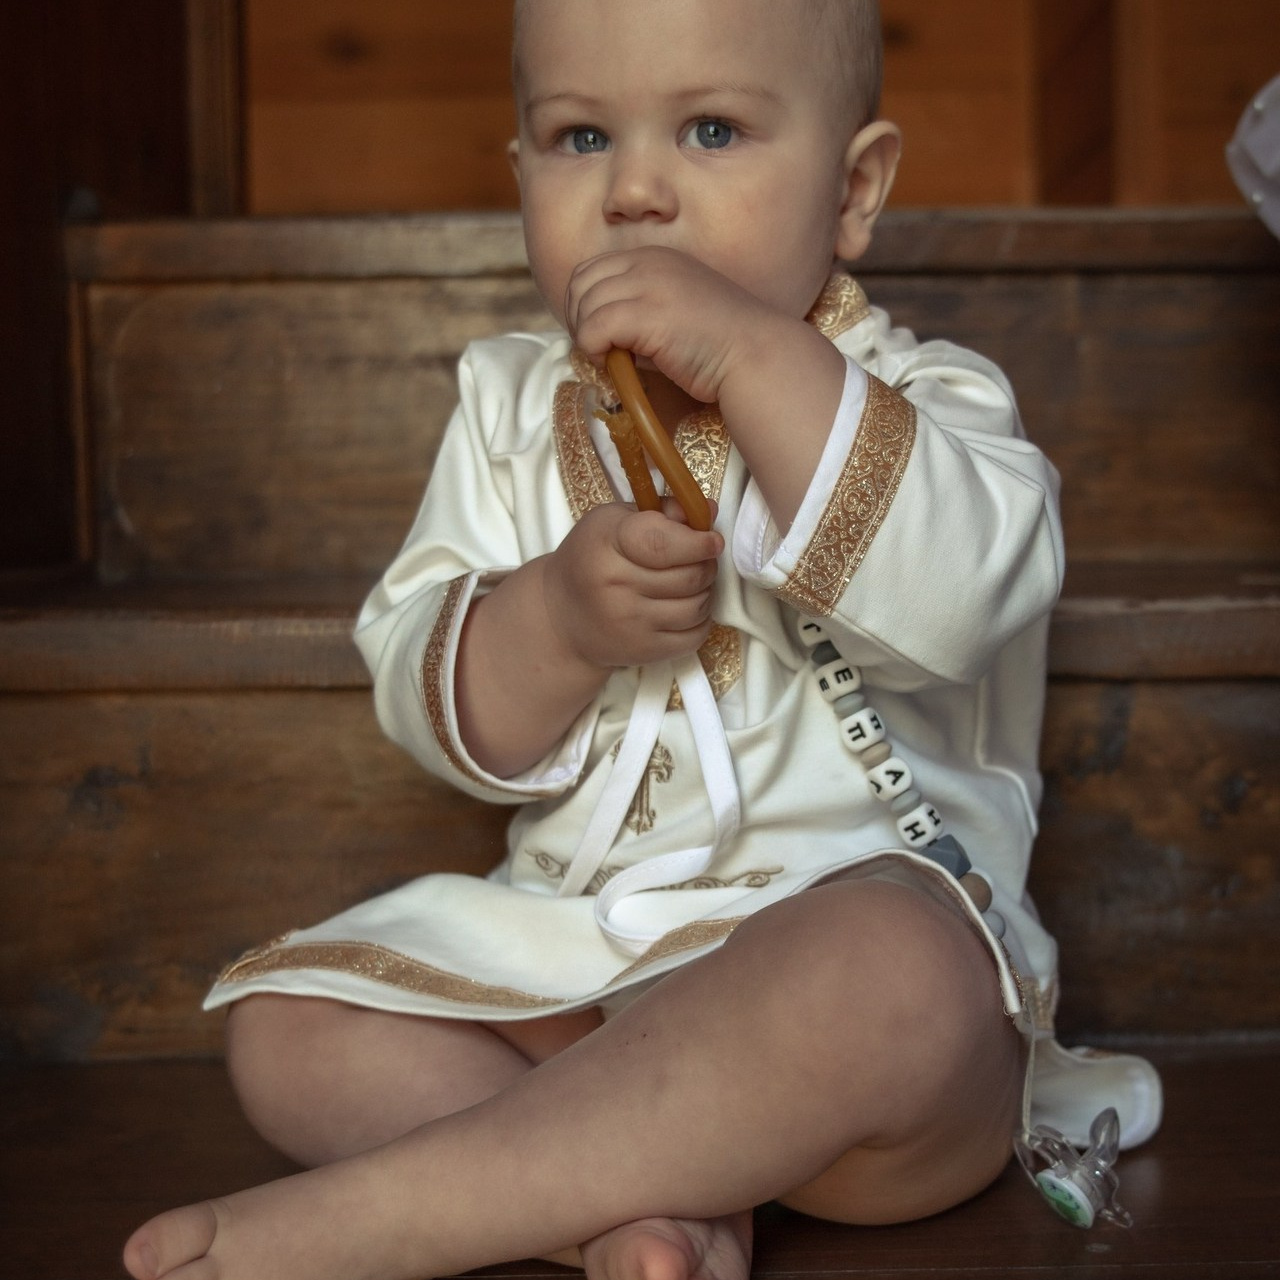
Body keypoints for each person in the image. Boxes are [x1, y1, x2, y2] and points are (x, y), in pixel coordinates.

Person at [123, 3, 1160, 1279]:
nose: (632, 193)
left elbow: (960, 593)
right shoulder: (506, 412)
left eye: (711, 129)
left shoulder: (933, 399)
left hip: (848, 1046)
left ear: (851, 190)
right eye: (576, 138)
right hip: (582, 982)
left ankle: (411, 1207)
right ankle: (637, 1212)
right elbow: (425, 687)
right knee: (288, 1020)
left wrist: (742, 352)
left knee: (890, 968)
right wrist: (551, 621)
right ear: (517, 174)